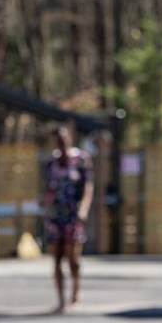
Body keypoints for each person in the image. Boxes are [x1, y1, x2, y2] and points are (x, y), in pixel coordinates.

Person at [43, 126, 94, 312]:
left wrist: (84, 209)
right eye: (57, 141)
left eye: (63, 140)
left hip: (73, 214)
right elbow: (48, 189)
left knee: (73, 257)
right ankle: (60, 300)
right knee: (56, 259)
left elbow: (88, 186)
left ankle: (76, 293)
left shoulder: (81, 159)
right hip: (55, 215)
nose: (61, 144)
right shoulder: (50, 163)